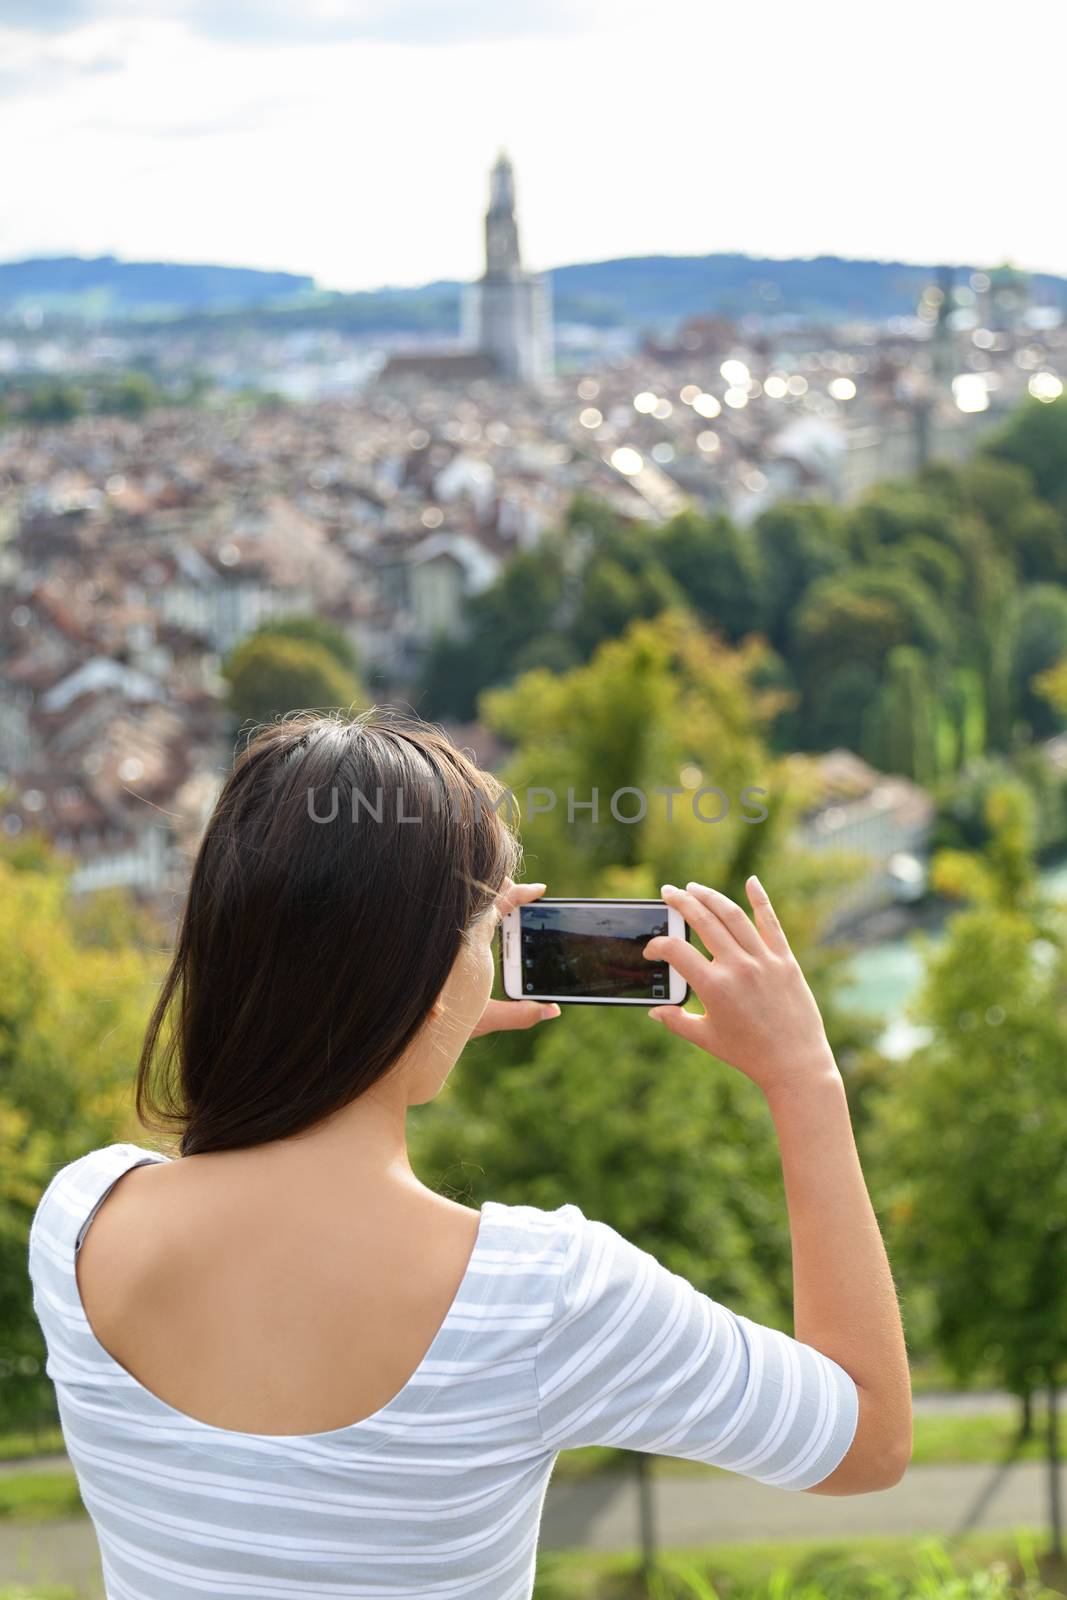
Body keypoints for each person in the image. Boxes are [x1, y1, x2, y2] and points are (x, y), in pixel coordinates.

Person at [29, 708, 911, 1600]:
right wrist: (805, 1080)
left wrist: (396, 1023)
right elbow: (867, 1440)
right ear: (436, 969)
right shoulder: (541, 1295)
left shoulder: (77, 1225)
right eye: (483, 934)